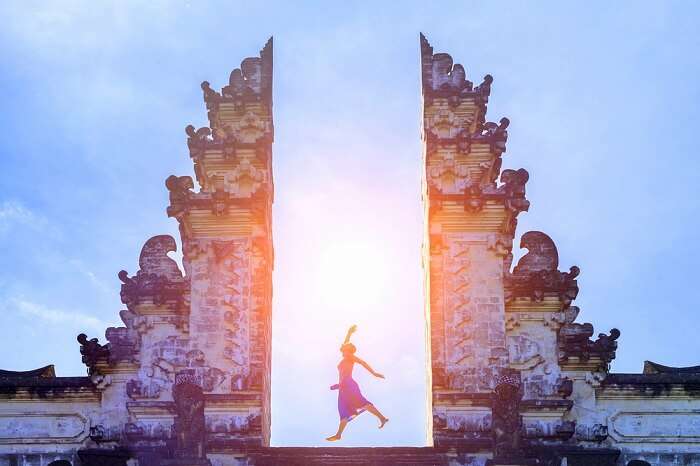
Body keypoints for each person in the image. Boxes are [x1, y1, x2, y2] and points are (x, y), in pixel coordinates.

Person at [326, 324, 389, 441]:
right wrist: (349, 333)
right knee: (343, 410)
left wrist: (374, 373)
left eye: (345, 347)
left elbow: (363, 362)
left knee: (361, 402)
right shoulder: (345, 356)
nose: (342, 347)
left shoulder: (350, 356)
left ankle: (382, 418)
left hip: (349, 384)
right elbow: (345, 343)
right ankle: (339, 434)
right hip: (343, 387)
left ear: (347, 350)